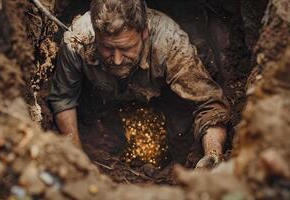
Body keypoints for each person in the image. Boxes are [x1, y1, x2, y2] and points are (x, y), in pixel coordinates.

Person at [47, 0, 231, 169]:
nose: (117, 60)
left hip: (165, 95)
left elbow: (210, 106)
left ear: (144, 33)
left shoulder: (170, 43)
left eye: (126, 48)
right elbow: (63, 99)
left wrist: (212, 154)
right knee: (99, 141)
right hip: (100, 100)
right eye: (108, 48)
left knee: (181, 136)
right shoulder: (77, 40)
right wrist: (76, 159)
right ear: (96, 34)